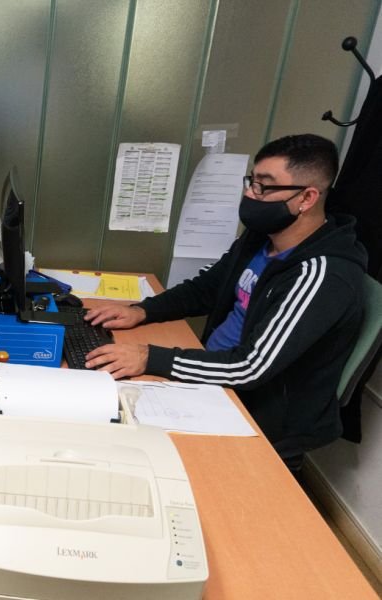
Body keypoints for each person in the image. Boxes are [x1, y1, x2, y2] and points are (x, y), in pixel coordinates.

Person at [84, 134, 367, 469]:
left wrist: (151, 357)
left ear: (306, 197)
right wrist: (141, 310)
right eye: (252, 181)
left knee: (125, 444)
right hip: (214, 375)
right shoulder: (262, 239)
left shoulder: (321, 274)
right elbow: (208, 286)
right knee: (99, 410)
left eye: (265, 186)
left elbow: (251, 366)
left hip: (256, 411)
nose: (251, 194)